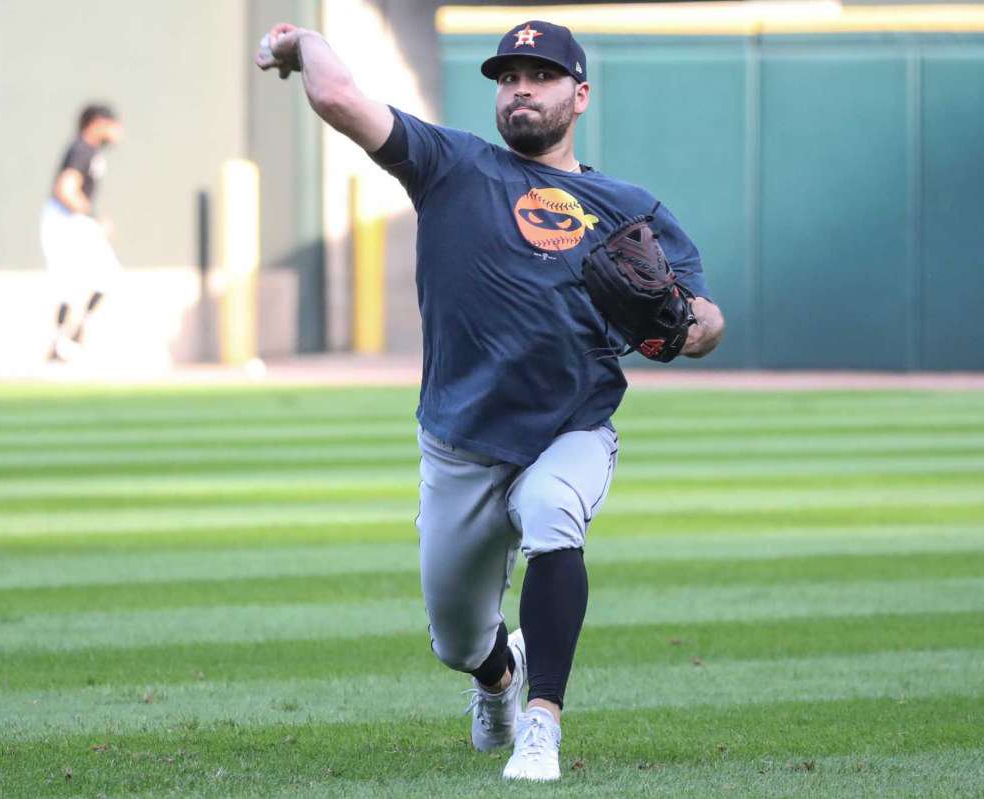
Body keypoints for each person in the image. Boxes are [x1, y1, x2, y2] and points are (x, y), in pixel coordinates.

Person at [256, 19, 724, 782]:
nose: (521, 90)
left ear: (579, 95)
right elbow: (340, 98)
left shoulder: (627, 205)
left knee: (551, 512)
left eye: (539, 76)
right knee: (456, 639)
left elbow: (707, 320)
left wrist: (682, 323)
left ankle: (542, 724)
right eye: (508, 78)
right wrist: (303, 39)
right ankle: (497, 676)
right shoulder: (451, 165)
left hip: (568, 430)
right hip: (461, 444)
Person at [40, 104, 124, 362]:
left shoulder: (92, 152)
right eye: (112, 124)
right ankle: (60, 343)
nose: (117, 131)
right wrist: (94, 217)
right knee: (69, 282)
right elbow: (65, 189)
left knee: (107, 276)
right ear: (97, 123)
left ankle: (72, 335)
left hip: (78, 221)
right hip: (66, 220)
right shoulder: (81, 149)